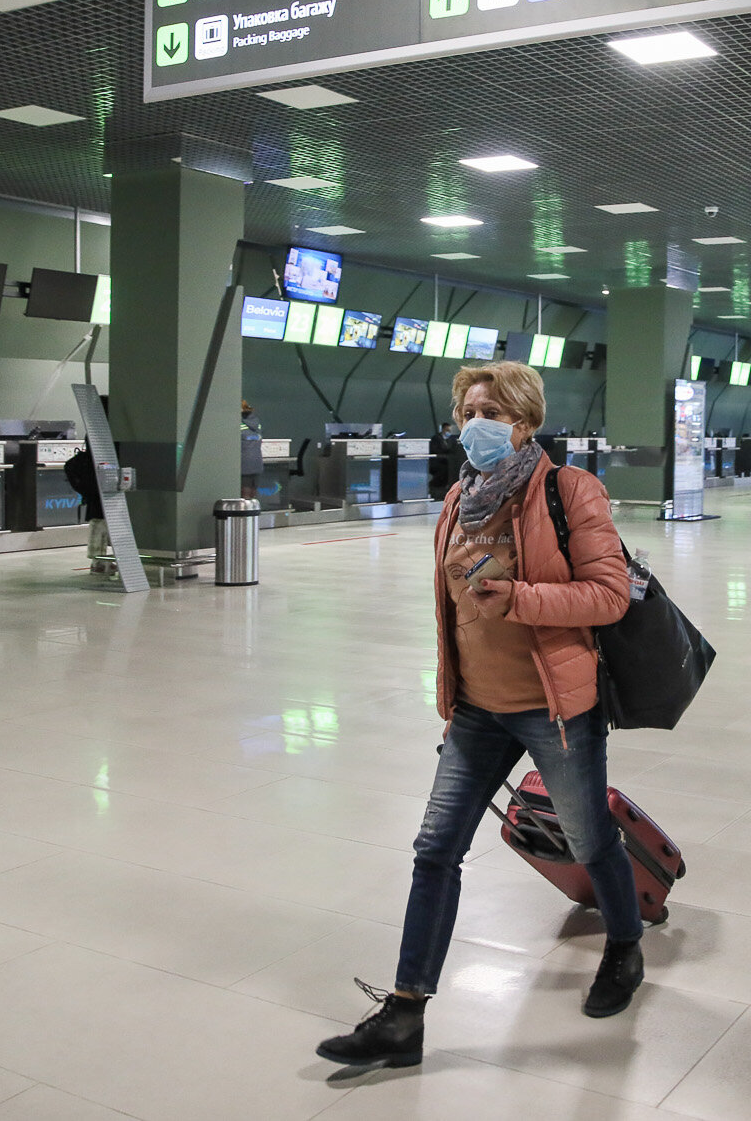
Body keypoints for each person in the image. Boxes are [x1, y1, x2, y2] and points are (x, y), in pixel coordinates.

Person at [317, 361, 638, 1070]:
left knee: (589, 842)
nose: (471, 424)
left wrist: (519, 597)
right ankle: (404, 1014)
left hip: (556, 707)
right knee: (435, 850)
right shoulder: (460, 497)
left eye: (486, 411)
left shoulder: (570, 490)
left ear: (523, 421)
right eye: (464, 412)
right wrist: (454, 691)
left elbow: (609, 595)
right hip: (477, 710)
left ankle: (624, 944)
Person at [239, 399, 263, 500]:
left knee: (244, 498)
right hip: (257, 463)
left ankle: (244, 515)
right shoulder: (256, 422)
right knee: (253, 497)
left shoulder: (237, 424)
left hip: (244, 465)